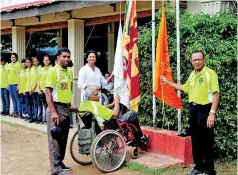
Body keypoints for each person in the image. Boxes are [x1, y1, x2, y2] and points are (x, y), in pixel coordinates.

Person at [160, 50, 219, 175]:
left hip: (205, 110)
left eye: (199, 59)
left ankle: (209, 171)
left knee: (206, 142)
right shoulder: (192, 74)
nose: (197, 62)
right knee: (196, 140)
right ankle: (198, 167)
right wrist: (167, 82)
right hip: (193, 110)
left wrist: (212, 113)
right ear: (191, 62)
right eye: (194, 60)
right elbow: (184, 88)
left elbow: (215, 94)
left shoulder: (210, 74)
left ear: (204, 60)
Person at [79, 86, 147, 144]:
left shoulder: (83, 104)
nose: (99, 96)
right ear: (90, 97)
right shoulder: (95, 105)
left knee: (118, 111)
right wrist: (117, 103)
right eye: (96, 95)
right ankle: (140, 139)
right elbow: (115, 114)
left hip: (93, 130)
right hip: (106, 128)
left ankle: (126, 138)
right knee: (132, 114)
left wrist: (112, 105)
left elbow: (99, 108)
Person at [45, 48, 74, 175]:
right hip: (56, 109)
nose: (67, 59)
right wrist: (53, 112)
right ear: (58, 58)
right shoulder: (53, 71)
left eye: (68, 56)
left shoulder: (68, 71)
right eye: (64, 56)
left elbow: (67, 90)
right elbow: (48, 92)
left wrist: (69, 105)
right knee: (55, 140)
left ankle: (60, 162)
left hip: (66, 109)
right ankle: (55, 169)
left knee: (63, 138)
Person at [38, 55, 53, 124]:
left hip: (48, 90)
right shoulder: (41, 68)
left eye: (47, 60)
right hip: (41, 90)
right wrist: (38, 89)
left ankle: (48, 120)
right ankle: (46, 119)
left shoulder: (52, 69)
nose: (46, 61)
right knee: (44, 105)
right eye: (45, 60)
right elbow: (39, 79)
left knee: (49, 105)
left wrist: (46, 89)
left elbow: (51, 80)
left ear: (50, 61)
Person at [7, 53, 22, 117]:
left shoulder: (18, 65)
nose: (13, 58)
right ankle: (14, 111)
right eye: (12, 57)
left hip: (15, 84)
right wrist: (7, 84)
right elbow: (8, 75)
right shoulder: (9, 65)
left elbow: (19, 75)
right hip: (10, 84)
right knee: (12, 98)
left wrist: (19, 85)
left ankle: (19, 112)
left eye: (14, 57)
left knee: (17, 98)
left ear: (16, 58)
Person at [31, 56, 43, 123]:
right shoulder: (32, 68)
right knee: (34, 104)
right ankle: (34, 117)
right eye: (34, 61)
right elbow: (31, 79)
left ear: (39, 61)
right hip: (32, 89)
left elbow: (38, 79)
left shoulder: (40, 68)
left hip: (37, 89)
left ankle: (39, 118)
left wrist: (34, 88)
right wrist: (30, 88)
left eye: (36, 61)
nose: (35, 62)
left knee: (39, 104)